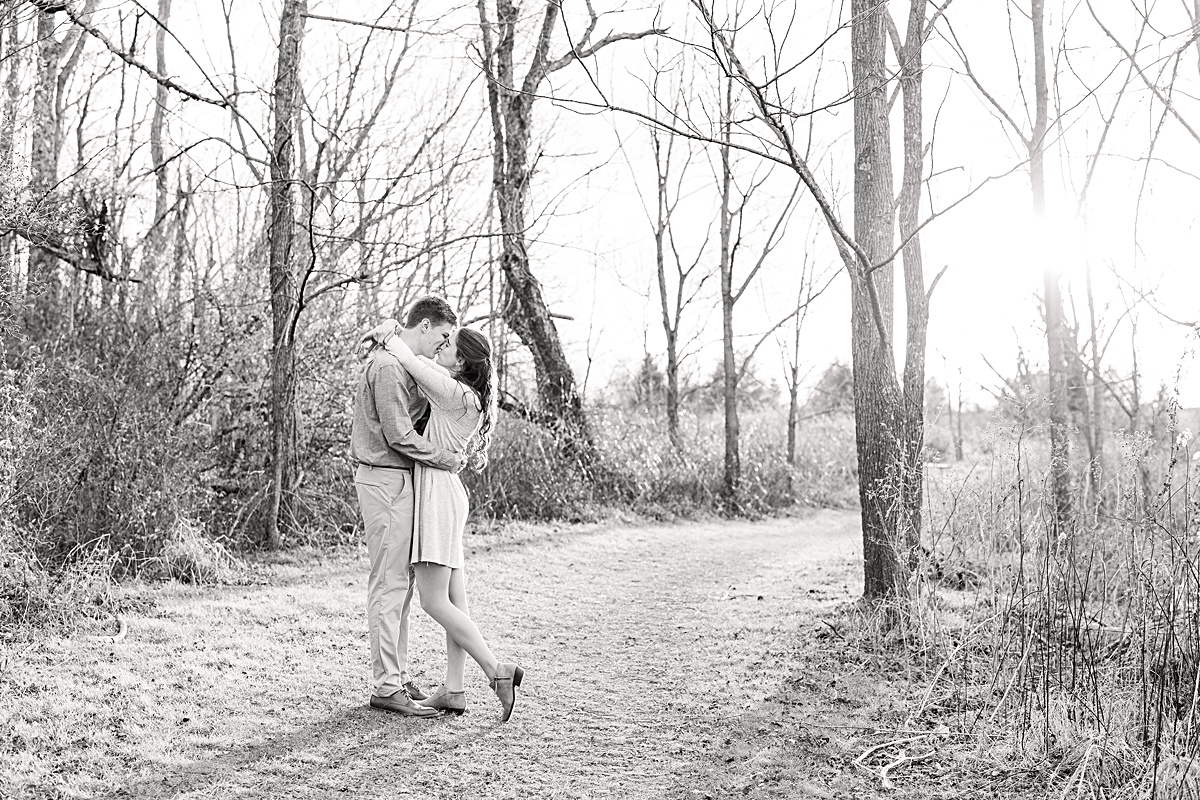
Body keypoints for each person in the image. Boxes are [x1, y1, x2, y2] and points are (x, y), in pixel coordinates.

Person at [367, 319, 525, 723]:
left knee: (434, 600)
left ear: (462, 359)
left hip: (438, 494)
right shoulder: (464, 392)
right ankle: (454, 689)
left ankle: (495, 670)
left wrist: (389, 334)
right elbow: (422, 362)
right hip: (447, 491)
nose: (442, 346)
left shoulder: (455, 393)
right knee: (457, 601)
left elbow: (410, 359)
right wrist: (394, 329)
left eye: (449, 343)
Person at [351, 296, 463, 718]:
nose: (444, 343)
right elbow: (398, 435)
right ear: (425, 325)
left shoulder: (402, 362)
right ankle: (385, 686)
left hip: (399, 481)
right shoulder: (387, 368)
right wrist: (444, 457)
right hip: (384, 480)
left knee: (402, 583)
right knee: (389, 583)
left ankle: (394, 677)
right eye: (443, 335)